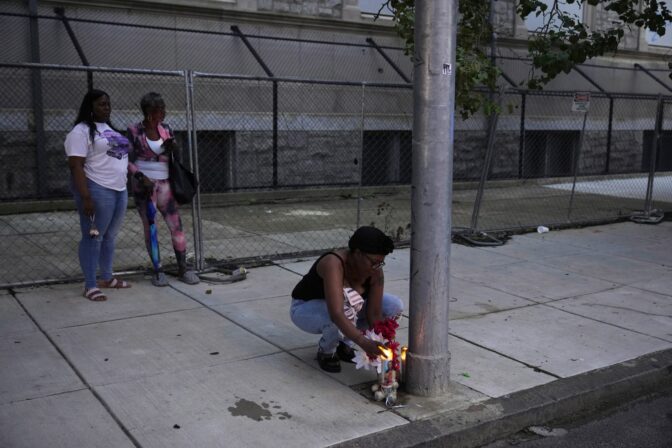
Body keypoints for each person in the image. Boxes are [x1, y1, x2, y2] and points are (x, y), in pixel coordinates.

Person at [290, 226, 403, 373]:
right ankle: (326, 351)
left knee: (393, 305)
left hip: (345, 309)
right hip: (306, 309)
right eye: (373, 262)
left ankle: (344, 345)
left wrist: (381, 344)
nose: (377, 267)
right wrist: (363, 342)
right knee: (344, 309)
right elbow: (336, 313)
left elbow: (374, 314)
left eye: (380, 263)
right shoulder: (333, 263)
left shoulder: (375, 271)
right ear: (357, 253)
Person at [65, 89, 132, 302]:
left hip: (119, 189)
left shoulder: (109, 128)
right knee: (93, 237)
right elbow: (76, 166)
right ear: (90, 107)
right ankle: (90, 285)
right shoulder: (80, 131)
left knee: (109, 236)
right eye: (102, 104)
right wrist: (85, 197)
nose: (107, 108)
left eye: (108, 104)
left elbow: (119, 158)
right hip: (97, 189)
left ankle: (106, 278)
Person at [127, 92, 199, 286]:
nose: (162, 113)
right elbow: (127, 160)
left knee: (176, 226)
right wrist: (141, 177)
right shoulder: (134, 130)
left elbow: (171, 155)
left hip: (166, 184)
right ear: (147, 112)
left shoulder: (166, 129)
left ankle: (183, 268)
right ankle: (158, 270)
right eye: (157, 110)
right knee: (151, 227)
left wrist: (173, 148)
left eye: (163, 109)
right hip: (145, 187)